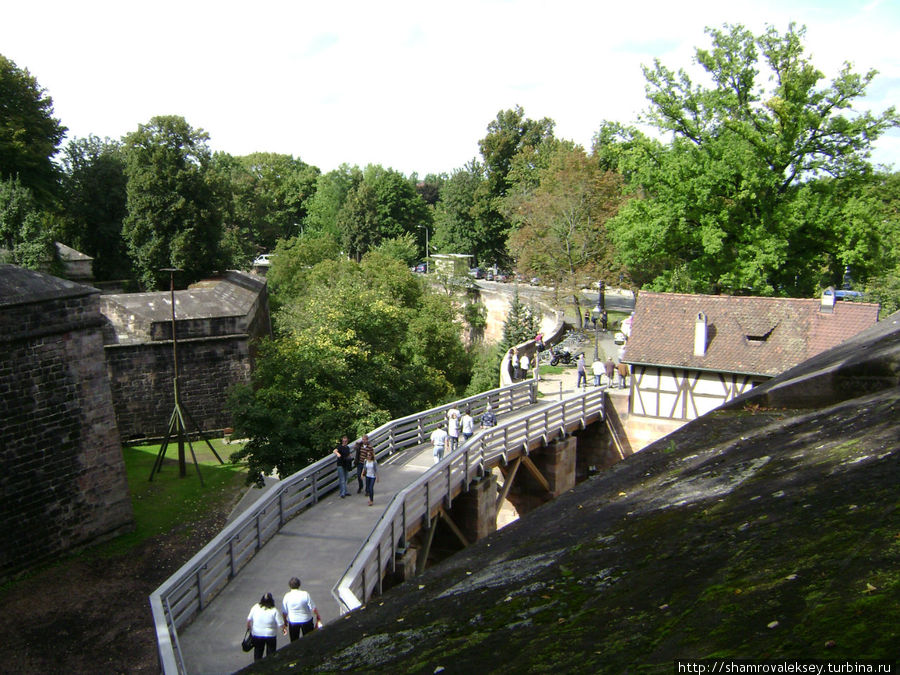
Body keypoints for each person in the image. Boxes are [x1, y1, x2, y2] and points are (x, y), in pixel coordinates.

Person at [247, 592, 285, 661]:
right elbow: (281, 624)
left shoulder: (256, 607)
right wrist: (284, 630)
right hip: (270, 635)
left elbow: (249, 619)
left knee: (258, 652)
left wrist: (249, 627)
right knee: (271, 654)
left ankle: (257, 667)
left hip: (257, 634)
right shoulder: (274, 610)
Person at [282, 577, 322, 642]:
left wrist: (285, 622)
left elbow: (284, 612)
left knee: (294, 641)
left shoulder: (287, 596)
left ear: (290, 585)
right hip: (306, 620)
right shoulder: (305, 594)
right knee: (308, 640)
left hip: (293, 621)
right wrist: (318, 616)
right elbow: (313, 608)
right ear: (299, 584)